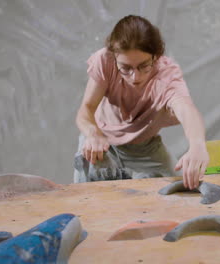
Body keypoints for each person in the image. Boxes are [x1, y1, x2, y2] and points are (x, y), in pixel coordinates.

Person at [74, 15, 208, 190]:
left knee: (185, 188)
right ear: (114, 58)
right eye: (126, 68)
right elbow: (86, 110)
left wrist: (197, 145)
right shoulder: (104, 61)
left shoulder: (166, 74)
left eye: (144, 66)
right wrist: (92, 133)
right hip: (101, 142)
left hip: (145, 148)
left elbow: (186, 110)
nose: (135, 77)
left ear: (156, 56)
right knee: (84, 197)